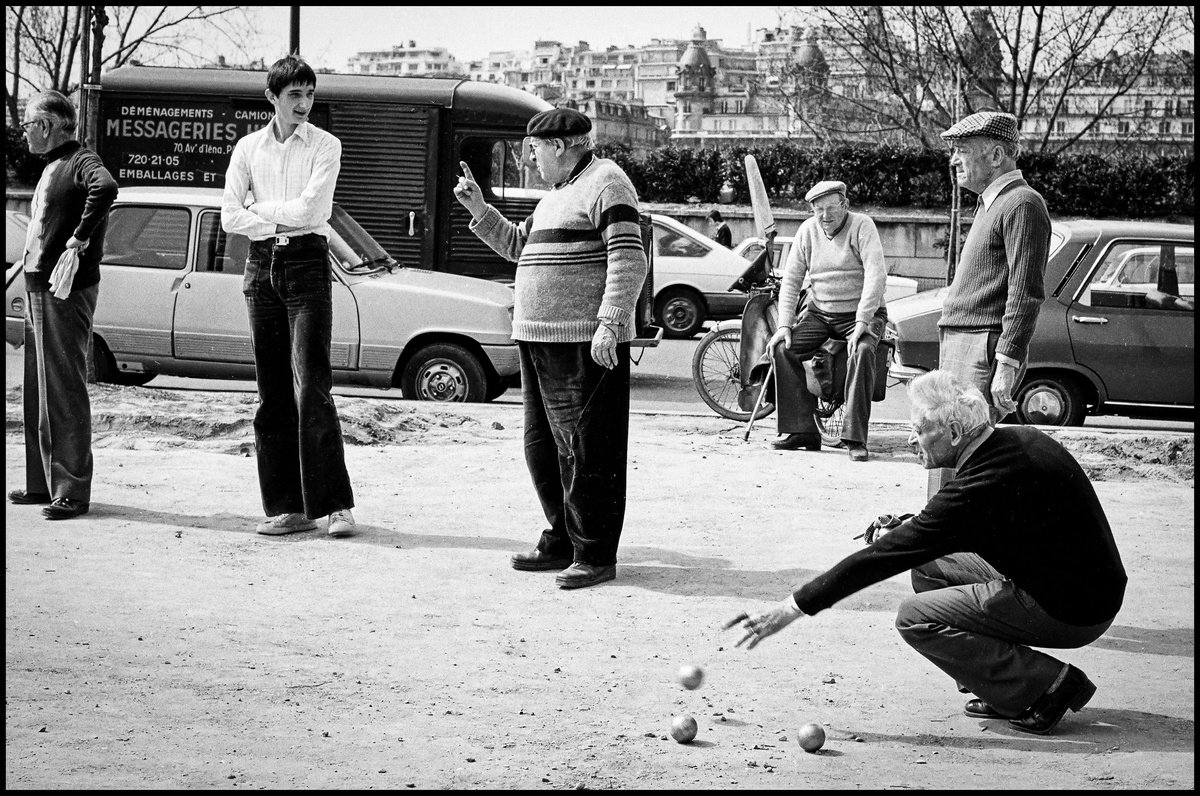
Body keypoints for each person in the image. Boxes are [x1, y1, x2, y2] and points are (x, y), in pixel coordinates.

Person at [724, 370, 1126, 736]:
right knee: (928, 566)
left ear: (953, 431)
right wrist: (915, 530)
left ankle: (1045, 687)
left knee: (914, 618)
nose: (911, 440)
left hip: (1073, 611)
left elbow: (882, 559)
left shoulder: (976, 488)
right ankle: (1000, 684)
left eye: (919, 429)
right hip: (1084, 585)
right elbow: (974, 523)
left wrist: (791, 608)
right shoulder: (1019, 440)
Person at [453, 107, 648, 590]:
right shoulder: (555, 196)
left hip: (582, 340)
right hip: (538, 336)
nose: (531, 159)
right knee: (542, 447)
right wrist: (480, 208)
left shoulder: (608, 182)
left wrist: (609, 324)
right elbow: (521, 248)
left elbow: (629, 258)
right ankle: (561, 539)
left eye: (535, 149)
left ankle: (595, 553)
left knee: (586, 450)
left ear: (560, 146)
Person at [221, 54, 357, 538]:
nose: (304, 104)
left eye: (310, 95)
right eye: (295, 95)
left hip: (306, 265)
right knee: (271, 391)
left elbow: (314, 209)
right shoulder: (248, 148)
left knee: (312, 384)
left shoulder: (326, 146)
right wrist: (278, 216)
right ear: (272, 98)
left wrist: (261, 210)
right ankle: (289, 508)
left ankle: (336, 506)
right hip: (260, 269)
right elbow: (228, 217)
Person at [10, 90, 119, 520]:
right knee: (39, 387)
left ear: (49, 125)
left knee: (64, 388)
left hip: (64, 291)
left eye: (29, 125)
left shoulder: (79, 160)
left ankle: (72, 490)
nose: (25, 133)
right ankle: (43, 484)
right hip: (40, 286)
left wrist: (80, 237)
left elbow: (106, 186)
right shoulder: (52, 166)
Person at [932, 110, 1051, 494]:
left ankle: (960, 546)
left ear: (997, 155)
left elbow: (1025, 291)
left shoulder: (1022, 204)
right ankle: (942, 542)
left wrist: (1006, 364)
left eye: (962, 150)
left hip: (981, 347)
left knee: (967, 454)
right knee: (948, 451)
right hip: (965, 343)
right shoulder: (993, 203)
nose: (954, 160)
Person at [765, 180, 888, 461]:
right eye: (818, 209)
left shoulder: (862, 226)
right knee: (783, 349)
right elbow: (792, 279)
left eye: (831, 208)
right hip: (821, 313)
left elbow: (876, 275)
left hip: (862, 312)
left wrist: (862, 321)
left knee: (864, 350)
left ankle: (855, 438)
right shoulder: (807, 231)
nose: (824, 216)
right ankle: (802, 432)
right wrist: (784, 326)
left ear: (845, 205)